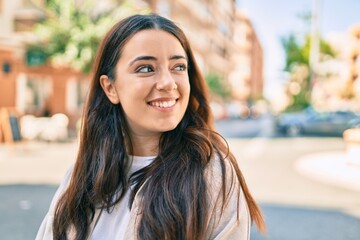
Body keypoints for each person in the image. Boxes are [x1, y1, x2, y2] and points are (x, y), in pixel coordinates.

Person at [36, 14, 266, 240]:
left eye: (178, 67)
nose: (168, 82)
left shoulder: (212, 175)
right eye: (146, 68)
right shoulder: (82, 174)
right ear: (110, 88)